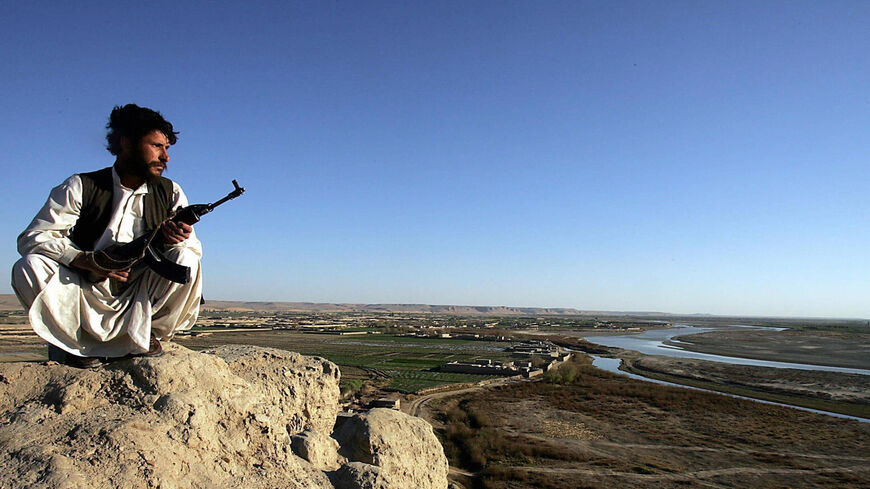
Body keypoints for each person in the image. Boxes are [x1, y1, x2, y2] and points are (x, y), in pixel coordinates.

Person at [11, 104, 203, 368]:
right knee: (28, 266)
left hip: (139, 290)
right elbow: (32, 238)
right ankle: (77, 346)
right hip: (85, 286)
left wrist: (175, 239)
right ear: (126, 143)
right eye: (157, 146)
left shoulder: (170, 192)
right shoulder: (81, 185)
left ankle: (145, 336)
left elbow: (192, 249)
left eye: (167, 148)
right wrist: (84, 260)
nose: (166, 157)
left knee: (185, 259)